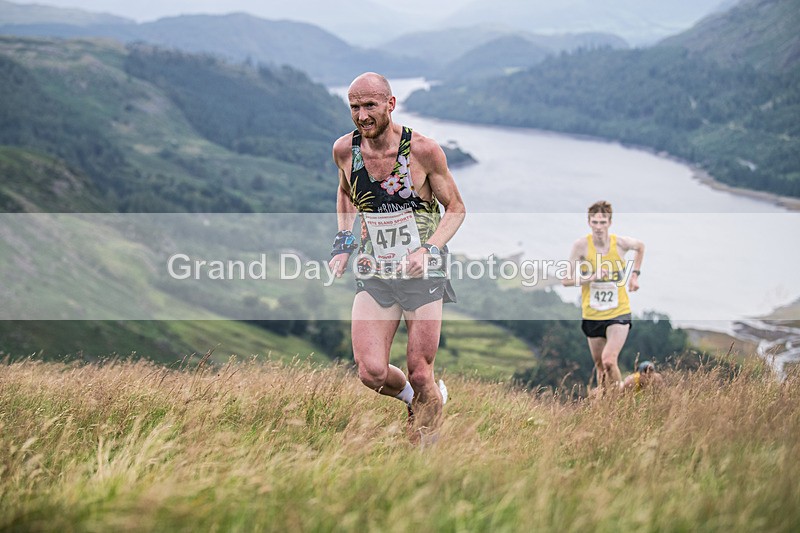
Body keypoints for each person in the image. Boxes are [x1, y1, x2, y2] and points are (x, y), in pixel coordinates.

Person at [328, 72, 466, 443]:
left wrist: (430, 249)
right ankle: (411, 401)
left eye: (370, 105)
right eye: (354, 107)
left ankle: (426, 449)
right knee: (370, 372)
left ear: (390, 104)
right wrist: (344, 240)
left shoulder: (423, 150)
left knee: (421, 372)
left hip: (423, 273)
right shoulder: (345, 151)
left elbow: (455, 208)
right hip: (377, 270)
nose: (361, 115)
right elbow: (345, 192)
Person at [561, 200, 645, 392]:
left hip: (618, 311)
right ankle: (608, 404)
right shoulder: (581, 246)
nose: (599, 227)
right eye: (595, 222)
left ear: (610, 223)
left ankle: (619, 403)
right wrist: (591, 277)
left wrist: (634, 276)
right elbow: (565, 280)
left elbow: (640, 247)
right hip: (592, 313)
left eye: (603, 222)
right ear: (589, 222)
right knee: (600, 368)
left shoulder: (621, 244)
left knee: (608, 360)